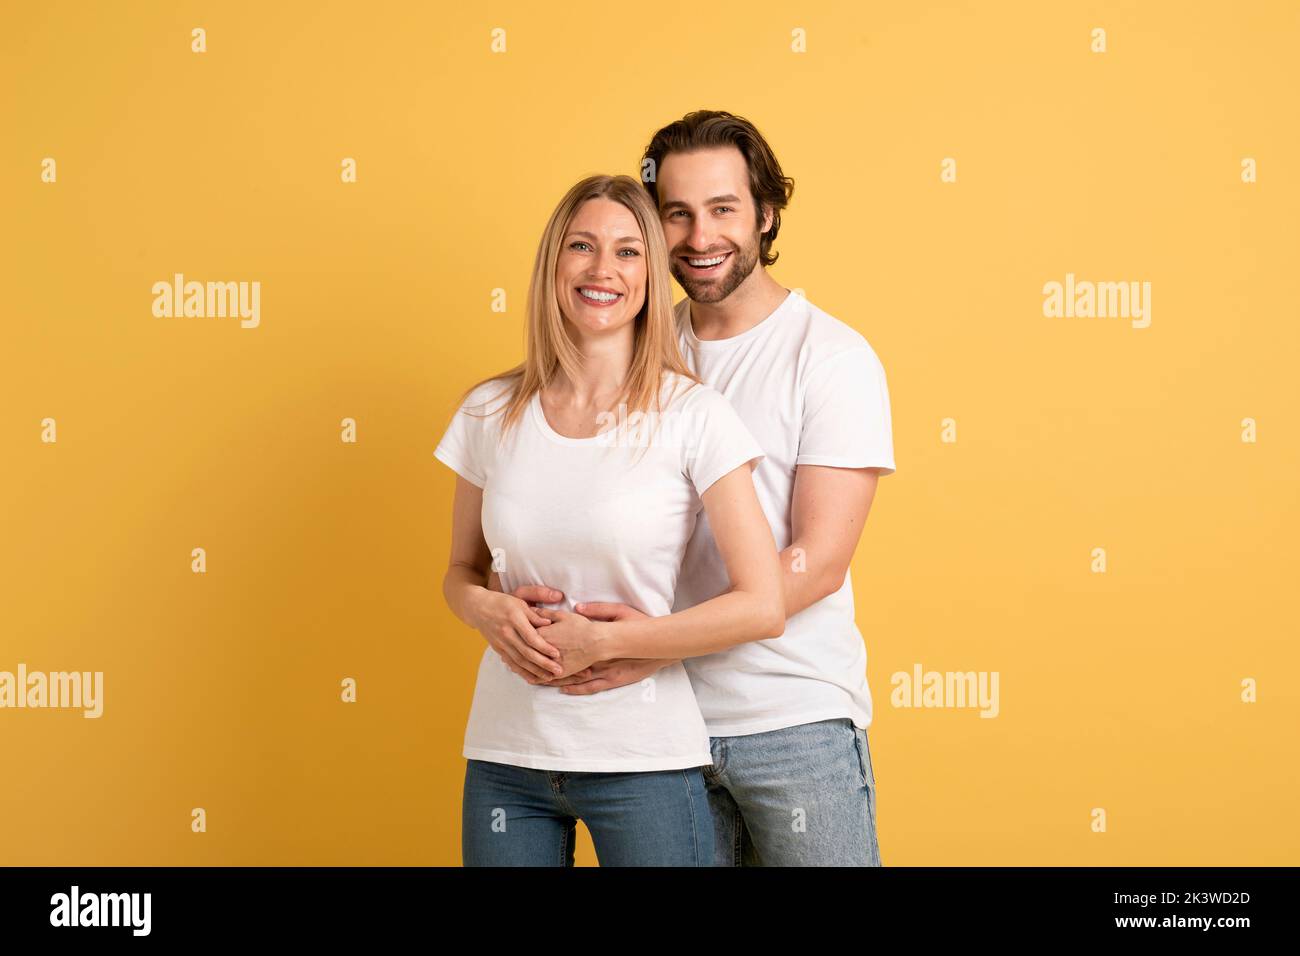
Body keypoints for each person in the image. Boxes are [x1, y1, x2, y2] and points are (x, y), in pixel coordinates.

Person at [504, 112, 897, 866]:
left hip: (792, 719)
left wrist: (637, 644)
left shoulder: (832, 358)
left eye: (723, 209)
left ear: (766, 214)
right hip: (656, 730)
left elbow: (816, 562)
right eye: (676, 213)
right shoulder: (632, 346)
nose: (699, 236)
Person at [434, 173, 784, 866]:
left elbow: (763, 603)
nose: (602, 270)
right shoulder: (489, 410)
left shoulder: (694, 416)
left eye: (628, 252)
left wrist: (619, 644)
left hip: (643, 757)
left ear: (652, 275)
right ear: (552, 266)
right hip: (507, 757)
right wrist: (484, 611)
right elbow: (460, 572)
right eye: (582, 247)